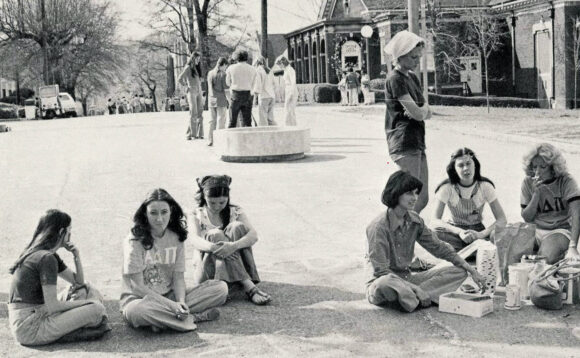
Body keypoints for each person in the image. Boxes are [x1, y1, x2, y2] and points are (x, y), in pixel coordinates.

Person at [366, 171, 486, 313]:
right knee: (386, 283)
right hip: (384, 284)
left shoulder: (415, 220)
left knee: (459, 271)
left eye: (416, 193)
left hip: (407, 278)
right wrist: (416, 288)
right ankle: (418, 296)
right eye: (409, 193)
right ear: (396, 193)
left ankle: (411, 299)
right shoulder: (378, 227)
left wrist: (472, 270)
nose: (415, 198)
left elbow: (439, 247)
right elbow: (381, 271)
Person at [121, 188, 228, 333]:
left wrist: (181, 303)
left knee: (220, 289)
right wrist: (172, 306)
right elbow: (137, 287)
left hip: (169, 296)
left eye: (164, 212)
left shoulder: (176, 237)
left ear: (171, 211)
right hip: (140, 299)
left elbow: (178, 277)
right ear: (145, 214)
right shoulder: (134, 240)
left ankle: (164, 321)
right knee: (136, 313)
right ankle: (193, 317)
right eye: (153, 213)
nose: (159, 219)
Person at [8, 209, 110, 346]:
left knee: (86, 288)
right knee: (97, 309)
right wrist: (87, 303)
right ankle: (70, 332)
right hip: (31, 328)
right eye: (69, 230)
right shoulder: (46, 258)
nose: (70, 234)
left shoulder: (45, 254)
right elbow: (53, 306)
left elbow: (78, 282)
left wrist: (76, 256)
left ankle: (73, 327)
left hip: (36, 314)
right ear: (62, 232)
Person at [190, 175, 272, 305]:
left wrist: (232, 246)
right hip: (208, 273)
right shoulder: (197, 214)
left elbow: (253, 235)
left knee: (237, 227)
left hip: (234, 270)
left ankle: (236, 282)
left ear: (228, 198)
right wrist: (215, 247)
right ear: (204, 197)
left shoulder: (235, 210)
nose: (217, 206)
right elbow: (194, 239)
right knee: (215, 235)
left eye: (222, 202)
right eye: (212, 202)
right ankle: (249, 287)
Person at [384, 30, 432, 213]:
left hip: (417, 139)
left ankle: (406, 232)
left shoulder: (411, 77)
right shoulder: (395, 79)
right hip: (403, 141)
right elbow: (418, 112)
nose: (417, 60)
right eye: (413, 57)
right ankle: (398, 235)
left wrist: (420, 111)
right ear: (400, 56)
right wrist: (420, 112)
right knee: (408, 198)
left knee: (422, 197)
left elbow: (425, 110)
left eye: (418, 56)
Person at [432, 148, 507, 251]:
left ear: (475, 165)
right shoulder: (447, 187)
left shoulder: (485, 186)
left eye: (468, 163)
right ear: (454, 169)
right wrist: (459, 232)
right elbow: (435, 220)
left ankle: (461, 252)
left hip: (477, 232)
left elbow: (502, 219)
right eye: (460, 165)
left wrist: (481, 234)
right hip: (455, 231)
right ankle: (477, 251)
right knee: (434, 233)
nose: (466, 168)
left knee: (499, 234)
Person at [521, 143, 580, 263]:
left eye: (543, 167)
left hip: (560, 230)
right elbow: (527, 217)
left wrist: (573, 246)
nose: (537, 172)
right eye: (534, 167)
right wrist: (536, 195)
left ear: (553, 167)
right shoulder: (528, 182)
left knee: (545, 259)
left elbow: (577, 215)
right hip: (535, 229)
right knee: (510, 246)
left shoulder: (566, 181)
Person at [178, 51, 205, 140]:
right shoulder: (188, 67)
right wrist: (186, 87)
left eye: (199, 59)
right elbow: (180, 78)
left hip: (199, 91)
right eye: (197, 59)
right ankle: (192, 134)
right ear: (193, 58)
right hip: (192, 91)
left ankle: (200, 134)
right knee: (193, 112)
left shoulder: (197, 68)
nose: (198, 60)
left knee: (200, 112)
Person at [225, 50, 256, 128]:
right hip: (247, 94)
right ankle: (248, 139)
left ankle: (231, 139)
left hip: (236, 94)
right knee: (247, 122)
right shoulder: (252, 69)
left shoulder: (231, 68)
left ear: (236, 58)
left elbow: (227, 83)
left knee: (232, 121)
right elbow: (253, 83)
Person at [207, 57, 230, 146]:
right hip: (221, 99)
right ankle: (220, 140)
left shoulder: (210, 73)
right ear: (223, 65)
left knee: (212, 120)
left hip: (212, 98)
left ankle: (210, 139)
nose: (226, 68)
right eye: (226, 66)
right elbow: (226, 90)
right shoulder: (223, 74)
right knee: (221, 119)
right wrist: (230, 101)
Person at [253, 56, 277, 127]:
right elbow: (275, 84)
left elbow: (258, 86)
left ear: (257, 63)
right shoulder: (269, 70)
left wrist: (254, 99)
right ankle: (276, 132)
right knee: (270, 118)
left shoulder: (258, 71)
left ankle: (264, 136)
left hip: (264, 97)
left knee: (263, 119)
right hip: (272, 96)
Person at [275, 56, 298, 126]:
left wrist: (291, 93)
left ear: (282, 63)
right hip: (288, 90)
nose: (279, 67)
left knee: (290, 110)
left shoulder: (290, 70)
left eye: (279, 65)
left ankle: (291, 126)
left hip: (291, 90)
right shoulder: (286, 70)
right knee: (288, 109)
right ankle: (290, 125)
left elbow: (293, 82)